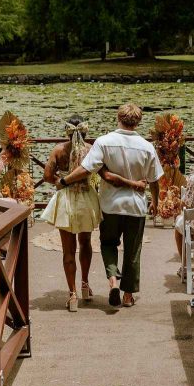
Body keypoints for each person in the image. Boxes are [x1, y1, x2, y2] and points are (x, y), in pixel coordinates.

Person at [60, 104, 162, 308]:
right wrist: (156, 203)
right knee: (133, 250)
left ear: (118, 118)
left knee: (108, 244)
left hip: (110, 204)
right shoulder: (146, 146)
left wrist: (65, 181)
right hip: (136, 205)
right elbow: (154, 180)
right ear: (139, 122)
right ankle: (127, 295)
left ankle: (113, 280)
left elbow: (86, 168)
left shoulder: (104, 142)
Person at [41, 116, 145, 312]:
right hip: (86, 199)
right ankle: (85, 285)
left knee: (68, 249)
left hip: (66, 199)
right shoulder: (91, 150)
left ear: (67, 132)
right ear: (85, 131)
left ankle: (72, 295)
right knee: (85, 242)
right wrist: (134, 184)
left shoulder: (58, 151)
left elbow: (47, 176)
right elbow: (105, 175)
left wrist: (62, 181)